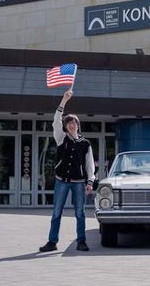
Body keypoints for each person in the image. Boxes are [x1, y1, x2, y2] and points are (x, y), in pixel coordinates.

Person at [39, 90, 95, 252]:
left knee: (80, 213)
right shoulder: (61, 138)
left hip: (78, 183)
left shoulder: (85, 143)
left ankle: (81, 241)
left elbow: (89, 164)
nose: (71, 124)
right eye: (68, 122)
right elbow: (56, 120)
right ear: (65, 126)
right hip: (61, 180)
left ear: (78, 125)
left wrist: (90, 181)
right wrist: (64, 100)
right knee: (57, 212)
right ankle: (52, 241)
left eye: (74, 122)